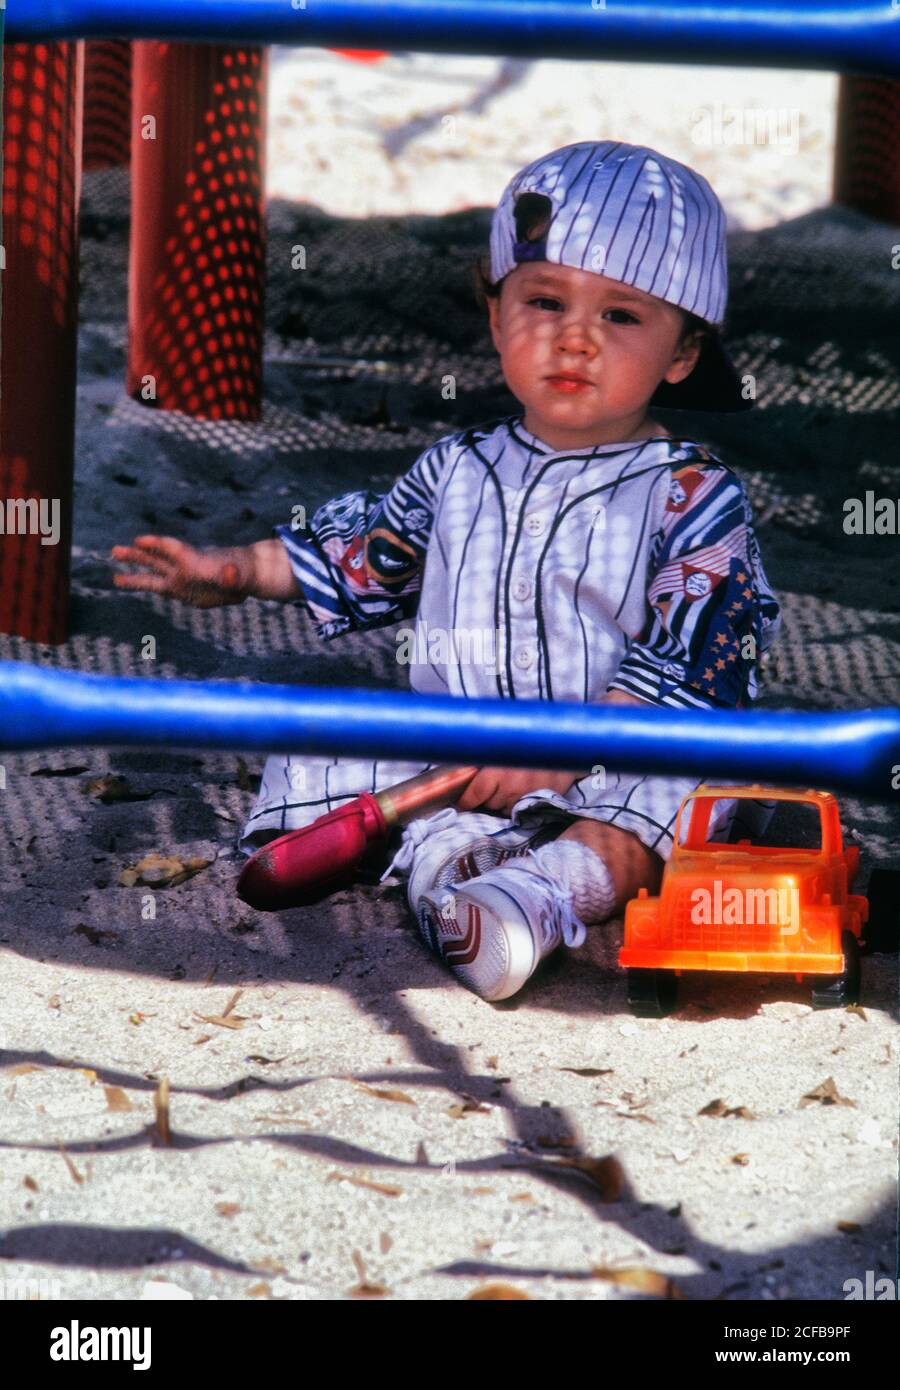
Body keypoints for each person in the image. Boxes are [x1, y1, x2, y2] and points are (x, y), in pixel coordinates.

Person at [111, 140, 780, 1003]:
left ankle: (545, 894)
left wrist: (557, 755)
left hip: (607, 758)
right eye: (544, 300)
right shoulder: (457, 467)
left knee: (681, 788)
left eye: (621, 317)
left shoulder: (688, 492)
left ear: (682, 351)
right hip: (452, 751)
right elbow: (368, 560)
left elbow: (697, 658)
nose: (574, 337)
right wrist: (234, 570)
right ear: (496, 313)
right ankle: (458, 880)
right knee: (312, 751)